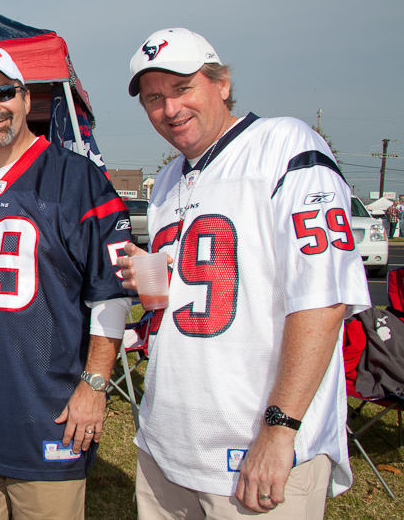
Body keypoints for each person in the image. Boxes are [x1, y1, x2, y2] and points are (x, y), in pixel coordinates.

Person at [121, 27, 372, 518]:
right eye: (154, 98)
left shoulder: (284, 144)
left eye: (182, 88)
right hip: (167, 444)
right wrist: (159, 281)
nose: (170, 109)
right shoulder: (170, 178)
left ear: (223, 83)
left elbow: (324, 298)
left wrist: (279, 429)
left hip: (251, 449)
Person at [0, 44, 133, 520]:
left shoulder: (77, 178)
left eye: (2, 92)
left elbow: (111, 290)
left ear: (25, 98)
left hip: (50, 415)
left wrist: (96, 383)